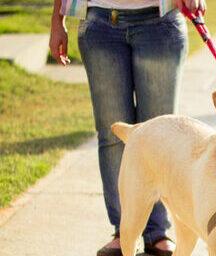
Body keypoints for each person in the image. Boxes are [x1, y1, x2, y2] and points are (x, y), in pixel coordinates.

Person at [49, 0, 205, 255]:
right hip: (99, 22)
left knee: (163, 138)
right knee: (112, 134)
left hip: (160, 22)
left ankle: (157, 233)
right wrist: (58, 21)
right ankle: (124, 232)